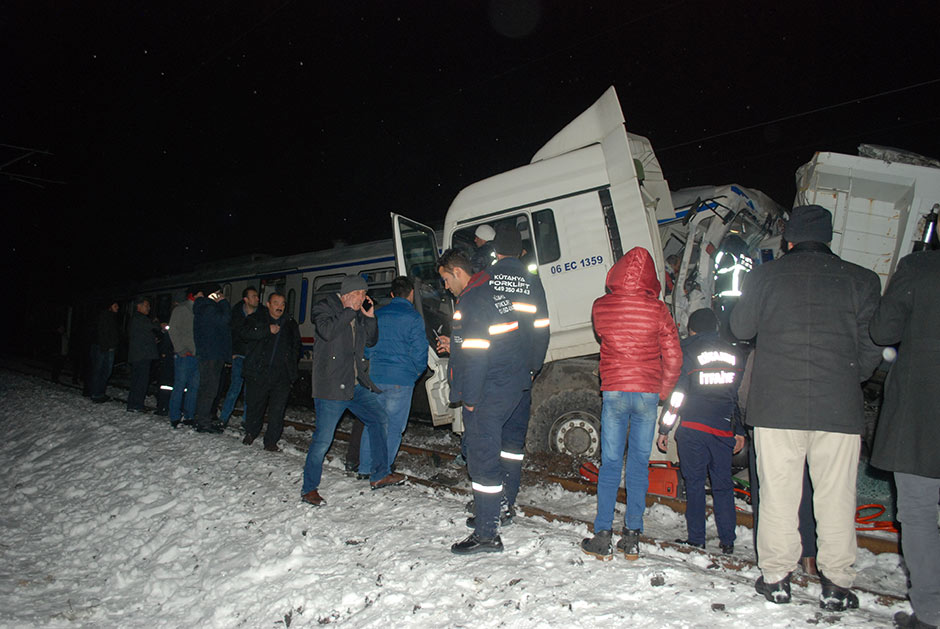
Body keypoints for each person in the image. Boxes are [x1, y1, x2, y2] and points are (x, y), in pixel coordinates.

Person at [730, 204, 882, 610]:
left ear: (788, 238)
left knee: (779, 493)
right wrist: (850, 375)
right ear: (828, 237)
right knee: (836, 495)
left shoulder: (765, 276)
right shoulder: (862, 280)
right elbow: (873, 344)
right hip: (838, 407)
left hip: (777, 407)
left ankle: (778, 578)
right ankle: (836, 584)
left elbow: (741, 328)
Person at [581, 246, 682, 560]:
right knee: (639, 466)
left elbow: (603, 333)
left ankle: (602, 535)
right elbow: (675, 357)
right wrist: (661, 391)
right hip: (647, 395)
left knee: (611, 465)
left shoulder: (601, 306)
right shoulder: (658, 310)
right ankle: (633, 536)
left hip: (614, 391)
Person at [436, 248, 528, 555]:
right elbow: (490, 341)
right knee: (498, 452)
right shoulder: (492, 293)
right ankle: (496, 511)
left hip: (489, 389)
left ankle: (488, 534)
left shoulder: (472, 301)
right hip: (510, 383)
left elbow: (477, 355)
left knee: (482, 459)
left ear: (457, 272)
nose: (445, 286)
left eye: (446, 279)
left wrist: (470, 399)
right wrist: (457, 345)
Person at [868, 249, 940, 629]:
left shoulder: (920, 267)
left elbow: (884, 331)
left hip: (924, 416)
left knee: (919, 513)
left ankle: (931, 614)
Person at [465, 224, 549, 528]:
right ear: (521, 251)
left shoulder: (489, 278)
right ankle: (507, 503)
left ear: (495, 250)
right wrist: (533, 366)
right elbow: (542, 328)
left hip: (494, 372)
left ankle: (489, 510)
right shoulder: (532, 280)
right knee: (512, 445)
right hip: (522, 375)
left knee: (487, 441)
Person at [300, 275, 404, 507]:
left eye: (364, 294)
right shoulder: (324, 307)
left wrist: (370, 318)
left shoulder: (358, 311)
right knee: (323, 440)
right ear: (347, 294)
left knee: (379, 419)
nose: (363, 298)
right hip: (332, 386)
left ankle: (379, 474)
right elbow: (327, 332)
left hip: (355, 384)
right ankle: (309, 489)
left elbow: (371, 341)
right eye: (359, 294)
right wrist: (349, 310)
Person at [656, 307, 744, 554]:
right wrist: (739, 431)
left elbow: (679, 395)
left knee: (694, 484)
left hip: (693, 429)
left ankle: (697, 539)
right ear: (716, 328)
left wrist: (665, 428)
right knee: (723, 485)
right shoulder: (734, 353)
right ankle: (728, 540)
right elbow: (736, 396)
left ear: (692, 330)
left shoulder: (688, 350)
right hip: (723, 430)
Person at [352, 276, 428, 478]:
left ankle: (365, 469)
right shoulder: (414, 318)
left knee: (373, 424)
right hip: (401, 380)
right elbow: (421, 353)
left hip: (376, 378)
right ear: (411, 294)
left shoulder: (378, 314)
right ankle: (381, 471)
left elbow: (367, 348)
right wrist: (413, 374)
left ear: (392, 294)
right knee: (393, 427)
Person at [240, 292, 301, 452]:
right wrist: (267, 330)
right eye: (276, 303)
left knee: (277, 410)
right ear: (268, 304)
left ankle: (271, 441)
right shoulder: (256, 319)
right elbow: (244, 334)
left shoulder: (290, 323)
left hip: (281, 375)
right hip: (259, 372)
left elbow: (296, 346)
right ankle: (251, 432)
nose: (279, 306)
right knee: (255, 405)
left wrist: (291, 368)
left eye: (282, 303)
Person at [193, 284, 231, 434]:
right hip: (212, 354)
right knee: (209, 389)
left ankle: (202, 419)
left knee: (206, 389)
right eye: (218, 293)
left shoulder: (203, 308)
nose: (220, 295)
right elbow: (225, 320)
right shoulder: (209, 309)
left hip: (209, 354)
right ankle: (203, 422)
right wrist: (224, 303)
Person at [220, 286, 260, 427]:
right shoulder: (236, 314)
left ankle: (246, 420)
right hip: (239, 356)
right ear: (246, 299)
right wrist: (230, 354)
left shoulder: (261, 314)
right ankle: (223, 418)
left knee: (249, 391)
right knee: (234, 388)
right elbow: (230, 335)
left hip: (253, 357)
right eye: (254, 296)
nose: (257, 298)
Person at [168, 288, 201, 428]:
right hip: (184, 355)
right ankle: (174, 416)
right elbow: (173, 329)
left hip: (196, 355)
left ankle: (189, 415)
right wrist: (180, 349)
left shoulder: (200, 310)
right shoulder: (181, 309)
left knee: (194, 387)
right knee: (180, 386)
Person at [126, 297, 160, 412]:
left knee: (138, 380)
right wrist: (157, 323)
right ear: (139, 306)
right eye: (146, 305)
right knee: (140, 381)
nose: (149, 308)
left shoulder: (137, 319)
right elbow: (152, 327)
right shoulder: (140, 319)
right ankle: (136, 405)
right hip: (142, 356)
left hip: (139, 355)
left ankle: (134, 404)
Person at [90, 300, 120, 403]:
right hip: (103, 348)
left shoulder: (111, 317)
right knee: (100, 371)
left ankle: (100, 392)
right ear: (110, 306)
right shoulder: (104, 316)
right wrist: (106, 347)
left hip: (108, 348)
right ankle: (96, 393)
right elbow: (102, 332)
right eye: (115, 305)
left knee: (105, 371)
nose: (118, 308)